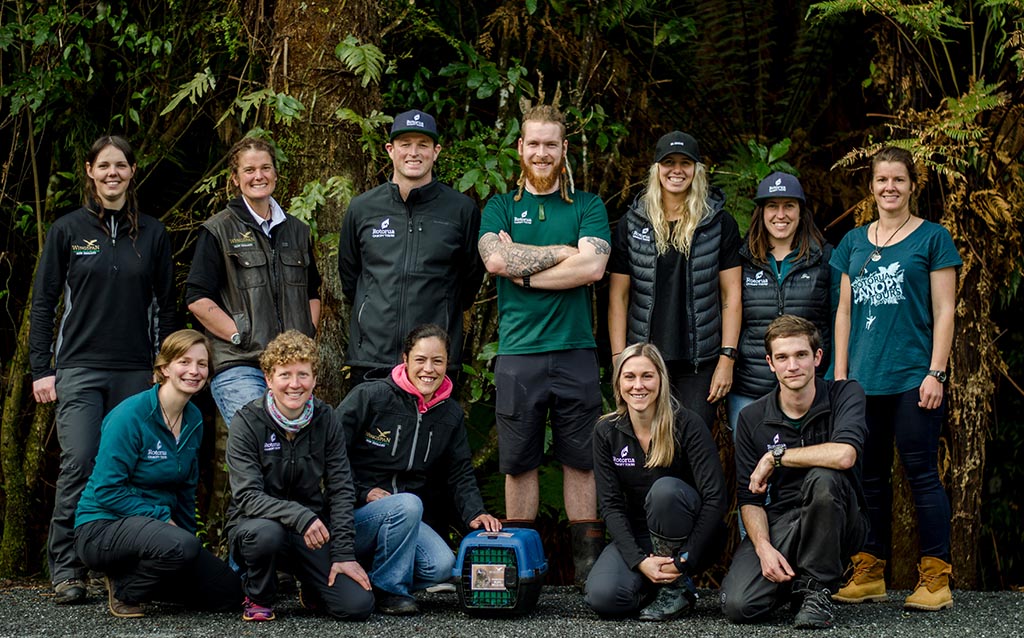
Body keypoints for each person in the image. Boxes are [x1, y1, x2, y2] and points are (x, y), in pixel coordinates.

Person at [29, 135, 176, 605]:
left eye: (122, 165)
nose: (113, 173)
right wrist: (41, 369)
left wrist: (165, 368)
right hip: (78, 368)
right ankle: (68, 568)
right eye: (104, 165)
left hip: (136, 371)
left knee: (131, 471)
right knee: (81, 461)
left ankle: (119, 566)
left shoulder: (152, 234)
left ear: (133, 172)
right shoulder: (67, 230)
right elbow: (44, 303)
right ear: (90, 171)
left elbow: (167, 308)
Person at [478, 104, 611, 587]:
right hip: (517, 354)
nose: (541, 152)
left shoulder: (587, 206)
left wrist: (526, 273)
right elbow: (495, 260)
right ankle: (519, 571)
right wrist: (562, 253)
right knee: (519, 462)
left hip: (575, 349)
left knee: (581, 461)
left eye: (550, 144)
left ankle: (589, 574)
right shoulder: (498, 206)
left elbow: (593, 269)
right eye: (533, 143)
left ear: (564, 150)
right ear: (520, 148)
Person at [831, 146, 961, 611]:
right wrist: (842, 376)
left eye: (899, 180)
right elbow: (843, 312)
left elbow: (945, 311)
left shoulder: (933, 239)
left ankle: (935, 577)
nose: (890, 187)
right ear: (871, 186)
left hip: (912, 378)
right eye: (882, 179)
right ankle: (869, 571)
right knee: (868, 479)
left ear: (912, 185)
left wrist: (936, 372)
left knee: (922, 475)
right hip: (863, 381)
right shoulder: (852, 243)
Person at [73, 329, 241, 618]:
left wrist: (192, 548)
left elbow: (186, 490)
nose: (194, 371)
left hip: (162, 533)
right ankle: (124, 587)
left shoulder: (193, 419)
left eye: (202, 364)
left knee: (230, 593)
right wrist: (163, 519)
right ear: (164, 368)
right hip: (103, 527)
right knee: (180, 545)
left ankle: (153, 576)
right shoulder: (130, 415)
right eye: (184, 362)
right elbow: (106, 489)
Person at [336, 324, 501, 615]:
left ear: (446, 363)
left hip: (406, 520)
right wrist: (361, 491)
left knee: (441, 566)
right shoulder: (371, 396)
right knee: (410, 504)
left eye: (437, 361)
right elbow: (330, 453)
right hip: (354, 515)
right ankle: (390, 591)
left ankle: (369, 580)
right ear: (405, 360)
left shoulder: (449, 414)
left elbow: (460, 471)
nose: (429, 369)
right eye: (420, 360)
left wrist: (476, 512)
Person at [720, 315, 869, 629]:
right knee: (739, 606)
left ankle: (817, 589)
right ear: (770, 363)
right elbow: (750, 499)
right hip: (784, 521)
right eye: (783, 357)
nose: (793, 366)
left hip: (841, 519)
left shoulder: (845, 394)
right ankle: (794, 583)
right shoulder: (751, 417)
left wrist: (776, 457)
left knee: (824, 477)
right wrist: (763, 548)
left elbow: (844, 456)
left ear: (817, 357)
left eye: (801, 355)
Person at [225, 331, 373, 622]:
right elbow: (247, 496)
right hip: (257, 529)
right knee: (266, 534)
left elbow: (341, 487)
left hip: (310, 533)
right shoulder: (247, 422)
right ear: (268, 379)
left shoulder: (326, 418)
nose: (295, 384)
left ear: (315, 379)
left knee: (357, 606)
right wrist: (299, 515)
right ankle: (258, 594)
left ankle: (311, 585)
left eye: (303, 374)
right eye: (285, 375)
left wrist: (343, 554)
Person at [608, 131, 741, 431]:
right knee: (647, 446)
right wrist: (620, 360)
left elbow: (731, 296)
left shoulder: (719, 223)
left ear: (697, 170)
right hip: (645, 363)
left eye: (685, 162)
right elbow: (618, 297)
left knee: (693, 446)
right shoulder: (632, 223)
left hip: (701, 362)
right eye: (669, 162)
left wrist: (727, 359)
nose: (677, 170)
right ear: (656, 168)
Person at [339, 109, 484, 384]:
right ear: (391, 150)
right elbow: (351, 277)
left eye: (423, 145)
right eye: (405, 144)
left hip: (434, 362)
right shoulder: (362, 208)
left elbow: (469, 281)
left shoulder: (461, 210)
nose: (413, 152)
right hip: (371, 358)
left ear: (436, 151)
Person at [585, 343, 727, 620]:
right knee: (603, 598)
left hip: (691, 537)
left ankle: (675, 587)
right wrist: (639, 561)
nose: (639, 385)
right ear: (618, 383)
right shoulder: (606, 431)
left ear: (661, 380)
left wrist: (685, 558)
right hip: (639, 536)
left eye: (647, 376)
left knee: (665, 491)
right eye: (630, 377)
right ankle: (657, 586)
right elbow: (610, 506)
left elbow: (715, 498)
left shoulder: (687, 424)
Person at [186, 136, 321, 426]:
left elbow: (312, 292)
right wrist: (239, 335)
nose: (258, 176)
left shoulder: (298, 231)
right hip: (241, 363)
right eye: (249, 170)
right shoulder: (218, 230)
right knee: (259, 441)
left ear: (275, 173)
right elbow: (198, 299)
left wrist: (306, 337)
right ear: (235, 178)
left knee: (292, 450)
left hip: (292, 367)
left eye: (265, 168)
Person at [729, 172, 833, 431]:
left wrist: (830, 376)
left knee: (810, 465)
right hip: (750, 388)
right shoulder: (741, 260)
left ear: (801, 211)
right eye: (772, 206)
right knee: (753, 466)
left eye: (789, 206)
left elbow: (837, 318)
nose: (781, 215)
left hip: (811, 387)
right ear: (761, 212)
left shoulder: (825, 257)